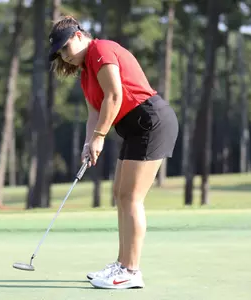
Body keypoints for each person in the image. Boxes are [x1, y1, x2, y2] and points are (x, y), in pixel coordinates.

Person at [47, 16, 179, 289]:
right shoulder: (86, 73)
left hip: (150, 122)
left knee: (131, 197)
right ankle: (121, 264)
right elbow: (94, 111)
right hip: (134, 128)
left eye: (64, 48)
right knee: (120, 194)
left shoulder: (101, 50)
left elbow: (115, 96)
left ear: (79, 35)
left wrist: (100, 137)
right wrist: (89, 142)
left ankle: (131, 271)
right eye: (58, 52)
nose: (64, 56)